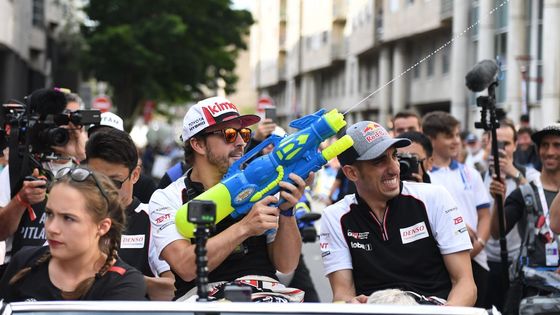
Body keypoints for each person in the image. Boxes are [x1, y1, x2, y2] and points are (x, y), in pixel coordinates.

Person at [149, 96, 307, 300]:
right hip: (204, 299)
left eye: (244, 133)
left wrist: (287, 211)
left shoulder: (262, 183)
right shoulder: (167, 197)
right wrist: (244, 228)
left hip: (268, 295)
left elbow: (286, 265)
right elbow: (186, 267)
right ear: (197, 144)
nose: (241, 142)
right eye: (230, 134)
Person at [320, 121, 476, 306]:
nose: (395, 168)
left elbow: (465, 284)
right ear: (352, 173)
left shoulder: (435, 197)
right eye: (379, 161)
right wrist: (349, 304)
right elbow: (343, 294)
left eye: (394, 156)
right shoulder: (335, 216)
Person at [0, 167, 146, 301]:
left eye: (68, 218)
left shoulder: (124, 282)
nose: (52, 228)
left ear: (102, 226)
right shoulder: (25, 261)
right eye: (49, 214)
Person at [0, 88, 87, 275]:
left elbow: (108, 209)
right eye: (58, 121)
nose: (62, 129)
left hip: (73, 275)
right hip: (21, 274)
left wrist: (80, 153)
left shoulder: (86, 171)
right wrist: (20, 200)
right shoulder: (17, 169)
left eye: (71, 122)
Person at [85, 128, 175, 300]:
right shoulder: (73, 214)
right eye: (95, 179)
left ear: (135, 175)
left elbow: (170, 289)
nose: (103, 189)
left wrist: (118, 275)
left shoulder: (152, 218)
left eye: (114, 181)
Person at [422, 111, 491, 308]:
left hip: (477, 261)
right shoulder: (423, 176)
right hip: (439, 264)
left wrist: (479, 244)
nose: (456, 141)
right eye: (449, 136)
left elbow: (484, 216)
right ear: (431, 139)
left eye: (457, 135)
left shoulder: (471, 174)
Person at [489, 123, 560, 312]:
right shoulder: (525, 193)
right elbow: (497, 233)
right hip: (531, 287)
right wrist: (499, 202)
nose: (550, 152)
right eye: (545, 145)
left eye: (557, 145)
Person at [482, 120, 540, 311]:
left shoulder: (527, 175)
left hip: (517, 261)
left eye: (506, 144)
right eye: (496, 143)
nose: (501, 149)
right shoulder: (478, 175)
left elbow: (539, 201)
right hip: (485, 261)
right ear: (487, 143)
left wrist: (513, 173)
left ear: (515, 145)